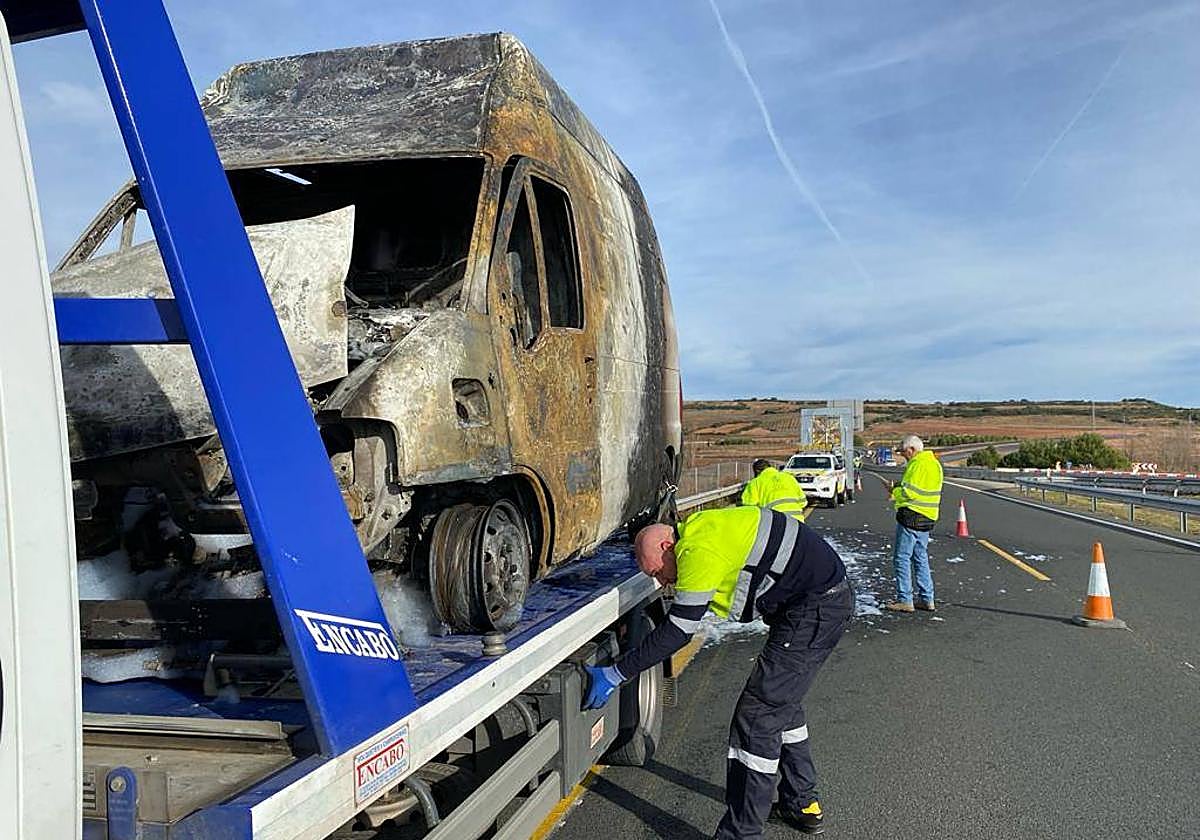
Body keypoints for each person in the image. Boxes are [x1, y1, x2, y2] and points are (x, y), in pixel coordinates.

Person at [583, 506, 854, 837]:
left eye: (656, 570)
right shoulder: (700, 529)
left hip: (815, 608)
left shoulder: (696, 550)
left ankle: (741, 833)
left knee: (757, 719)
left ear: (667, 547)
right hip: (812, 603)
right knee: (781, 704)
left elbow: (678, 631)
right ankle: (801, 803)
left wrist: (615, 673)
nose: (660, 580)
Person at [885, 434, 943, 613]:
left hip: (911, 517)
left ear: (912, 449)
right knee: (920, 557)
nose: (904, 456)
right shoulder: (934, 464)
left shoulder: (916, 464)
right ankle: (927, 599)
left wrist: (894, 491)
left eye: (904, 452)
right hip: (929, 518)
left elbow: (909, 492)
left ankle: (905, 600)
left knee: (902, 558)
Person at [740, 458, 808, 520]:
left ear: (757, 471)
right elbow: (803, 502)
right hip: (797, 521)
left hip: (775, 522)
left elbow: (749, 507)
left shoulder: (755, 482)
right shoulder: (789, 477)